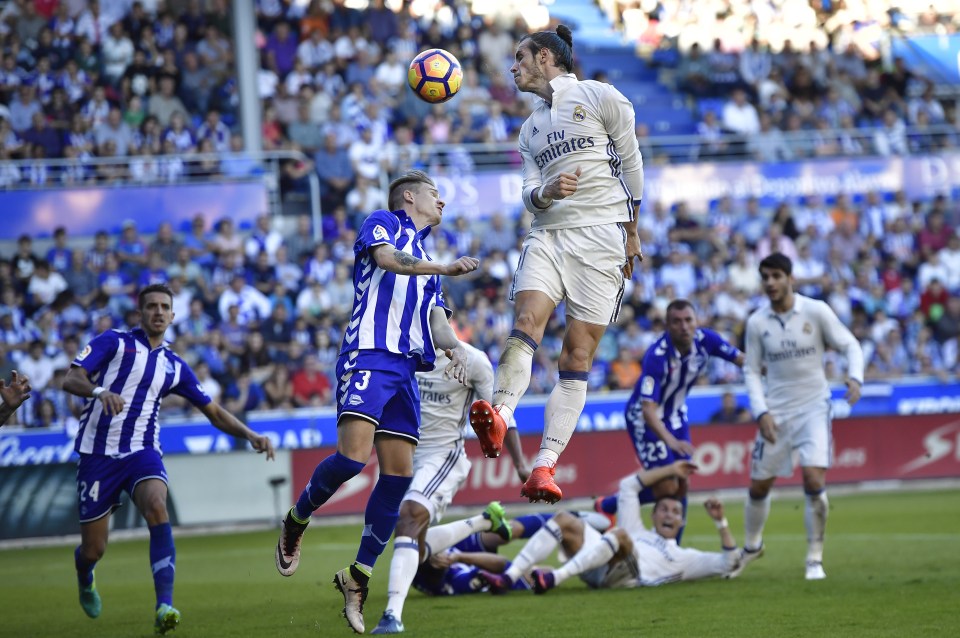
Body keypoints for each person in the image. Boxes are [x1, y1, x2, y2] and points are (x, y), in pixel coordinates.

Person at [273, 170, 480, 634]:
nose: (442, 202)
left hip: (406, 369)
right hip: (369, 352)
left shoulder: (428, 259)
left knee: (399, 476)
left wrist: (456, 351)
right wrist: (444, 268)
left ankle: (358, 576)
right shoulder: (382, 221)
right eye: (434, 193)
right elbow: (387, 261)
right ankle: (296, 517)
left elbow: (438, 322)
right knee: (352, 458)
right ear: (410, 196)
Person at [469, 24, 644, 505]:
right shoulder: (529, 129)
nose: (513, 67)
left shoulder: (599, 96)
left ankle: (543, 467)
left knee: (576, 357)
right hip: (547, 235)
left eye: (520, 57)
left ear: (546, 57)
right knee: (525, 324)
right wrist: (545, 192)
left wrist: (631, 232)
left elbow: (632, 165)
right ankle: (500, 414)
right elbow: (529, 191)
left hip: (602, 235)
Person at [62, 284, 276, 635]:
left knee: (158, 506)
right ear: (140, 313)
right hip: (97, 454)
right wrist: (100, 391)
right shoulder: (114, 343)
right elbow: (72, 378)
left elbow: (214, 412)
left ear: (173, 316)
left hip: (142, 451)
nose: (158, 312)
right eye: (151, 307)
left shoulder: (175, 366)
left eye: (165, 307)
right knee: (94, 549)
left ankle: (164, 605)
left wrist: (251, 435)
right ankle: (84, 573)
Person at [370, 343, 529, 634]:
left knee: (410, 515)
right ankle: (482, 521)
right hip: (404, 456)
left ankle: (392, 615)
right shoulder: (400, 350)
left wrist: (520, 464)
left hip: (443, 456)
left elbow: (502, 414)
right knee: (412, 543)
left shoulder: (474, 361)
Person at [734, 253, 864, 581]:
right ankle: (752, 546)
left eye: (776, 275)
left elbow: (850, 344)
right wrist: (761, 410)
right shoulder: (757, 322)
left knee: (814, 479)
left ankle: (814, 559)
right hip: (775, 412)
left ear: (790, 278)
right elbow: (750, 372)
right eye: (765, 277)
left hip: (814, 408)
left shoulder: (816, 311)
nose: (770, 282)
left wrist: (856, 376)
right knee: (759, 485)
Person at [594, 299, 744, 537]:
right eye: (677, 322)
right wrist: (670, 441)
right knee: (666, 485)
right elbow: (648, 409)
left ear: (697, 321)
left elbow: (741, 360)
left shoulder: (707, 340)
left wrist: (773, 367)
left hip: (675, 415)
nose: (684, 326)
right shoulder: (657, 356)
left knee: (682, 480)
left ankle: (673, 549)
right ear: (667, 325)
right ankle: (610, 506)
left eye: (688, 320)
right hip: (645, 420)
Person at [479, 460, 743, 592]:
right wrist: (671, 468)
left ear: (682, 520)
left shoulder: (685, 558)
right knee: (562, 518)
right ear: (653, 515)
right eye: (663, 509)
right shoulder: (637, 528)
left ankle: (554, 578)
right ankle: (507, 578)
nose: (669, 515)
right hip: (599, 562)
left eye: (675, 512)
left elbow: (729, 562)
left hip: (627, 576)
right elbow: (630, 486)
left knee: (619, 534)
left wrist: (721, 521)